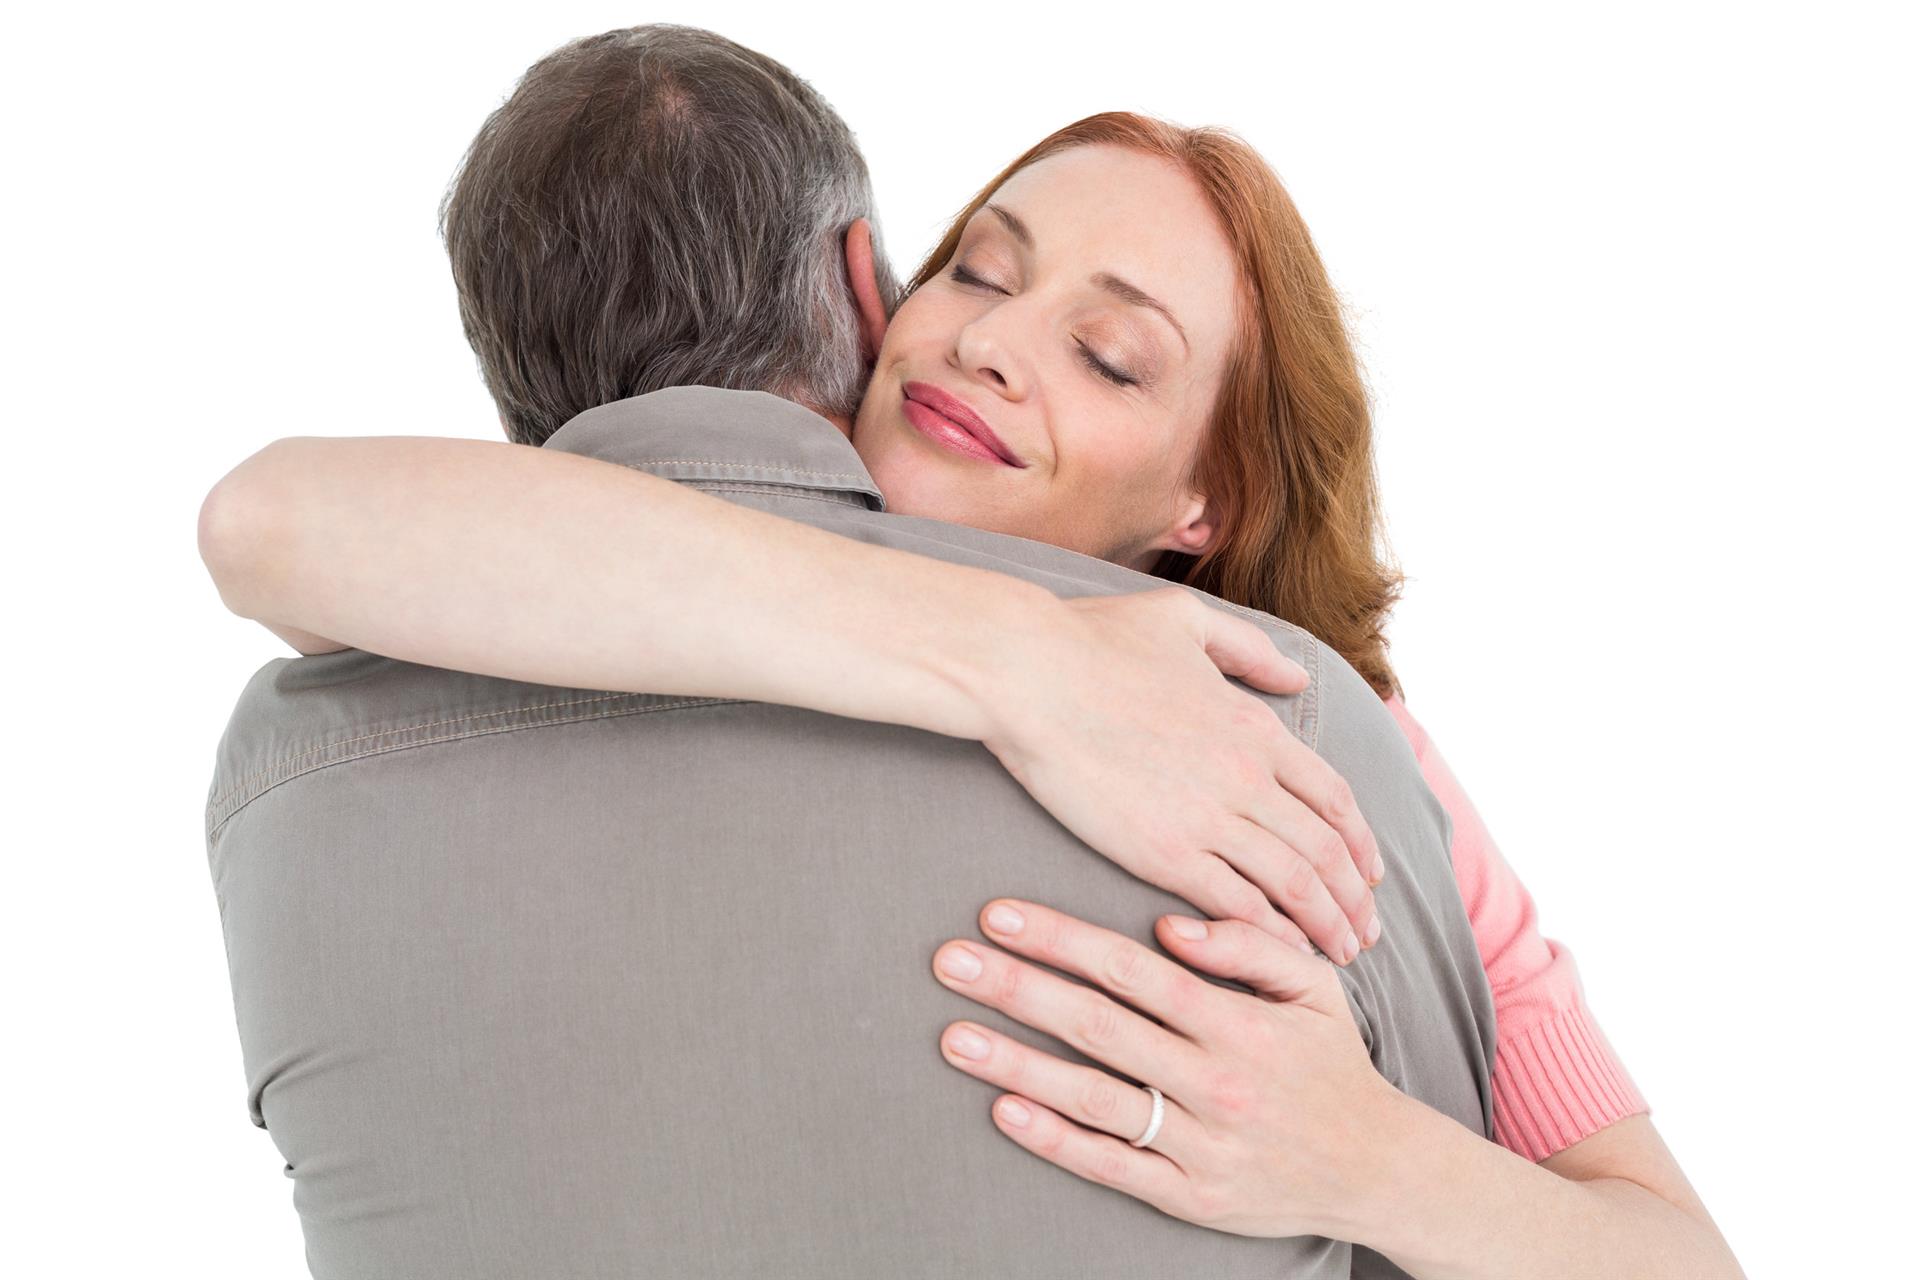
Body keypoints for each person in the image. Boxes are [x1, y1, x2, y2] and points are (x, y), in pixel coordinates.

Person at [199, 25, 1740, 1278]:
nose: (991, 343)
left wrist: (1369, 1158)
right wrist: (1017, 657)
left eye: (1111, 358)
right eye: (981, 273)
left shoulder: (1311, 743)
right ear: (872, 301)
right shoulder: (554, 585)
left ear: (1206, 504)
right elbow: (269, 520)